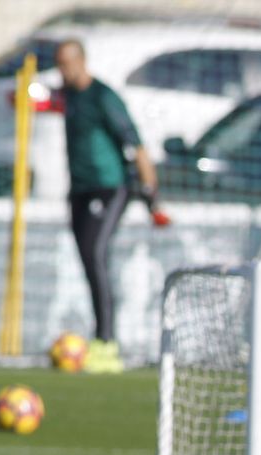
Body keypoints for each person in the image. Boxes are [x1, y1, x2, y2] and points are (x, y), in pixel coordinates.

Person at [54, 38, 159, 374]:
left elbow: (135, 144)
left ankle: (107, 344)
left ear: (82, 61)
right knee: (87, 258)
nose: (63, 70)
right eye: (60, 64)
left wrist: (152, 195)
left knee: (97, 254)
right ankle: (100, 337)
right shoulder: (68, 95)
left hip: (111, 187)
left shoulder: (103, 96)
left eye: (68, 63)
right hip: (80, 190)